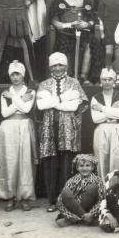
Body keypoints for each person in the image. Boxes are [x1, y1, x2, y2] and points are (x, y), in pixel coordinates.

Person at [36, 52, 88, 212]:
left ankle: (67, 200)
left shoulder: (74, 82)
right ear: (50, 67)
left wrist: (52, 102)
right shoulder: (44, 84)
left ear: (66, 66)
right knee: (51, 165)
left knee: (67, 164)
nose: (58, 68)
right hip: (49, 129)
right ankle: (52, 201)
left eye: (61, 65)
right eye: (54, 65)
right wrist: (64, 98)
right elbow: (41, 105)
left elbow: (77, 105)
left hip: (68, 130)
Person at [0, 61, 37, 212]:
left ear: (23, 75)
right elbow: (5, 113)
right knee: (9, 161)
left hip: (24, 125)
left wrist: (13, 97)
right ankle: (10, 197)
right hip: (8, 127)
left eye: (18, 74)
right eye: (12, 74)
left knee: (24, 161)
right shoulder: (4, 93)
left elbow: (26, 109)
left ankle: (24, 197)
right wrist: (19, 100)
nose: (15, 77)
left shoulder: (30, 91)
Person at [49, 0, 97, 80]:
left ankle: (84, 77)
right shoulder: (58, 1)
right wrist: (71, 24)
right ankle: (66, 76)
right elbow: (54, 21)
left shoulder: (86, 2)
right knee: (63, 44)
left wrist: (86, 24)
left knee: (92, 43)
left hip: (83, 33)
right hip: (65, 33)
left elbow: (93, 19)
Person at [91, 68, 119, 177]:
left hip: (116, 128)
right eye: (104, 79)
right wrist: (112, 109)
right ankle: (102, 185)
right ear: (101, 81)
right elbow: (96, 119)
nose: (107, 82)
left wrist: (102, 108)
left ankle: (114, 185)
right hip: (101, 129)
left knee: (116, 158)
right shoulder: (95, 98)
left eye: (110, 79)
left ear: (114, 81)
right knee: (101, 158)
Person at [55, 154, 105, 227]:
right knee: (65, 192)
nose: (84, 168)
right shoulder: (72, 180)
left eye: (87, 165)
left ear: (92, 167)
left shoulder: (98, 180)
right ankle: (82, 219)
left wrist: (91, 213)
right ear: (77, 168)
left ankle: (75, 220)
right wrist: (69, 215)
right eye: (81, 166)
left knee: (92, 188)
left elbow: (102, 200)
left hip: (89, 209)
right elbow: (59, 201)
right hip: (74, 207)